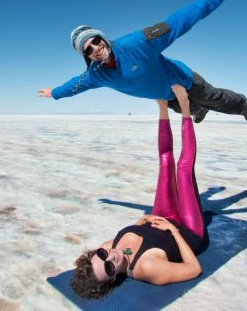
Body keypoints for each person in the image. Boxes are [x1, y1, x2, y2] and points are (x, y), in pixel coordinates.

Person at [38, 0, 247, 125]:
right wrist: (55, 92)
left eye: (95, 40)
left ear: (102, 38)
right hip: (166, 96)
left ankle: (242, 104)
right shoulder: (96, 75)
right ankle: (199, 110)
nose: (95, 47)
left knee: (213, 98)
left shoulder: (137, 43)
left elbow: (179, 21)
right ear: (86, 55)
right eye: (88, 48)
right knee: (186, 110)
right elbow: (74, 85)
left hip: (183, 80)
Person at [70, 85, 208, 299]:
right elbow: (194, 269)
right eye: (109, 268)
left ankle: (162, 107)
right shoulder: (147, 268)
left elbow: (137, 229)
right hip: (188, 232)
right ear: (113, 278)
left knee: (165, 164)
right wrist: (172, 231)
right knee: (182, 169)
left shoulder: (108, 246)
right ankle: (185, 106)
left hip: (161, 218)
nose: (111, 257)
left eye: (101, 255)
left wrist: (144, 220)